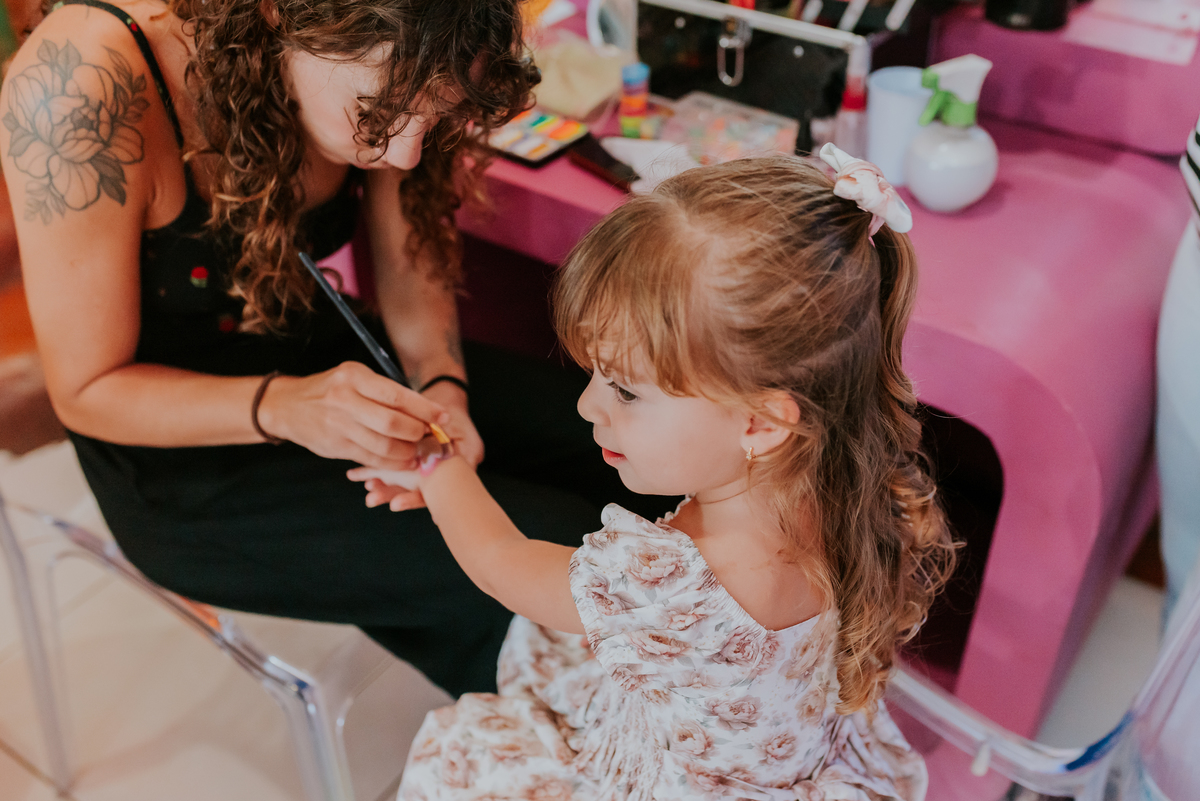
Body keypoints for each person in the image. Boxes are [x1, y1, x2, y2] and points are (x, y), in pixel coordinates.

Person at [1, 0, 664, 698]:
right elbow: (87, 390)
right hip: (183, 462)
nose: (406, 151)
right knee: (573, 558)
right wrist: (290, 405)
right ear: (280, 14)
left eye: (433, 115)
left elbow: (408, 246)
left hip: (328, 356)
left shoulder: (405, 46)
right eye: (380, 112)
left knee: (631, 451)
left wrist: (442, 382)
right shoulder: (85, 82)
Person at [352, 147, 958, 800]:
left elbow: (503, 563)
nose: (587, 406)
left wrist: (439, 467)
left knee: (461, 761)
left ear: (760, 422)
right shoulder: (848, 484)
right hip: (782, 769)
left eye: (625, 390)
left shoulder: (671, 582)